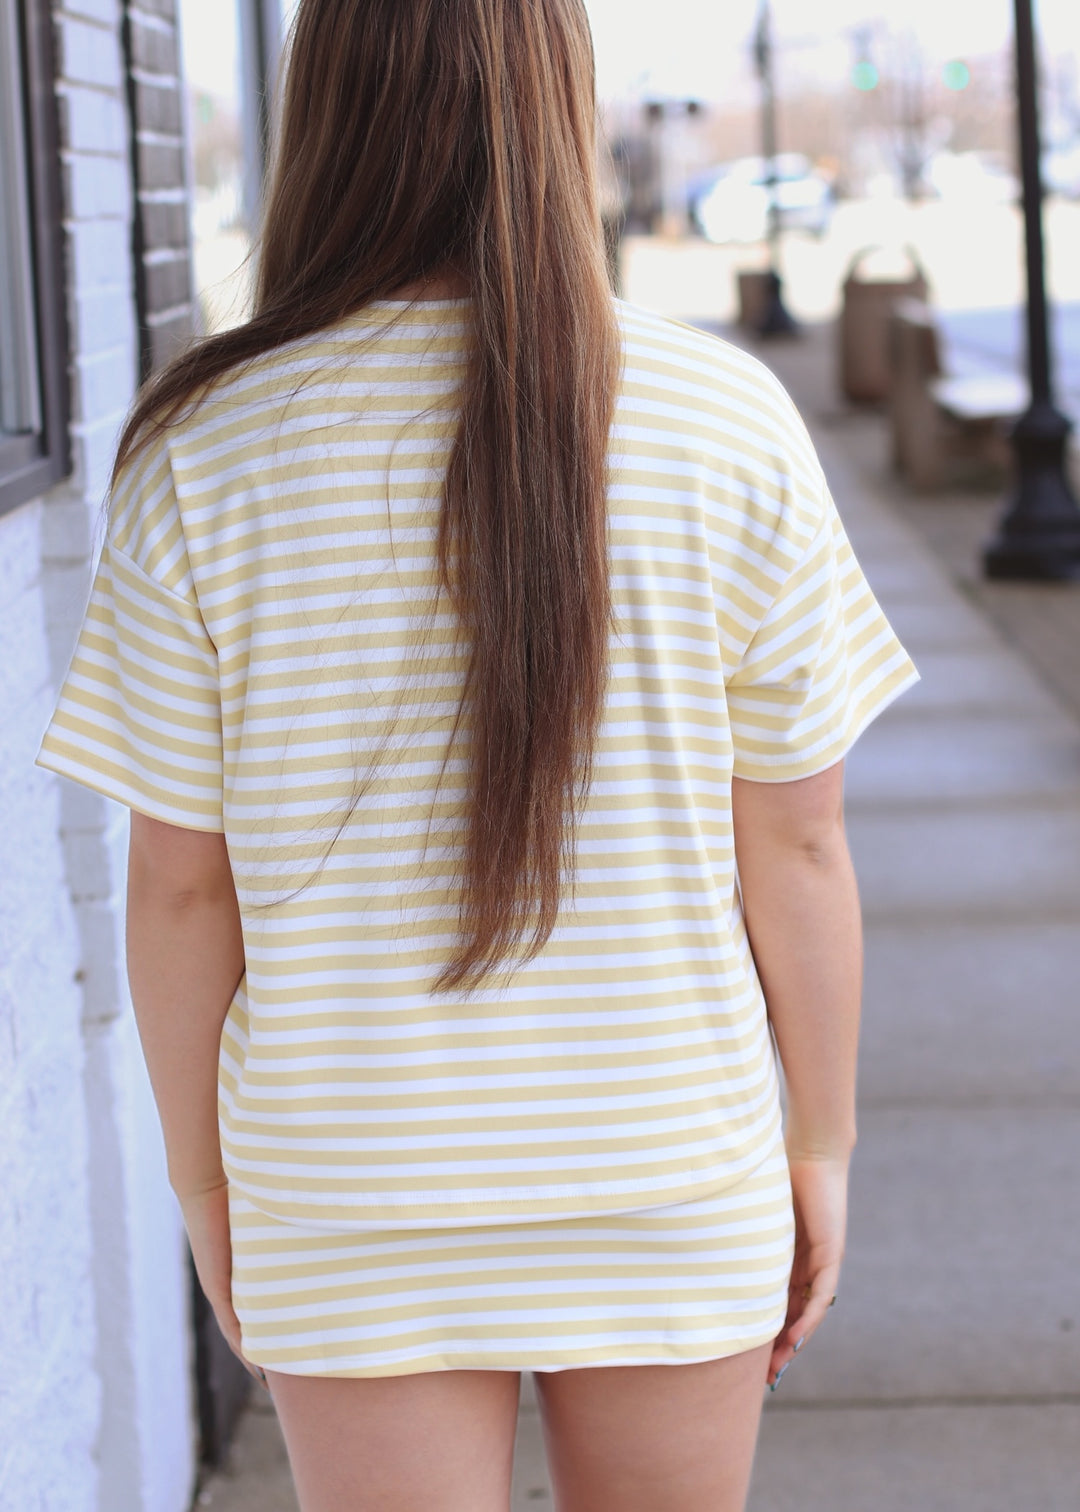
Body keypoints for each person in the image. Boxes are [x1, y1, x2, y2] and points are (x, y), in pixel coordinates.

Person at [38, 2, 918, 1508]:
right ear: (559, 107)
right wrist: (819, 1139)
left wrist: (203, 1187)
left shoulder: (208, 448)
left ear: (327, 117)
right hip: (664, 1158)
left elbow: (183, 893)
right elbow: (800, 848)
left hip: (350, 1181)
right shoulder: (726, 423)